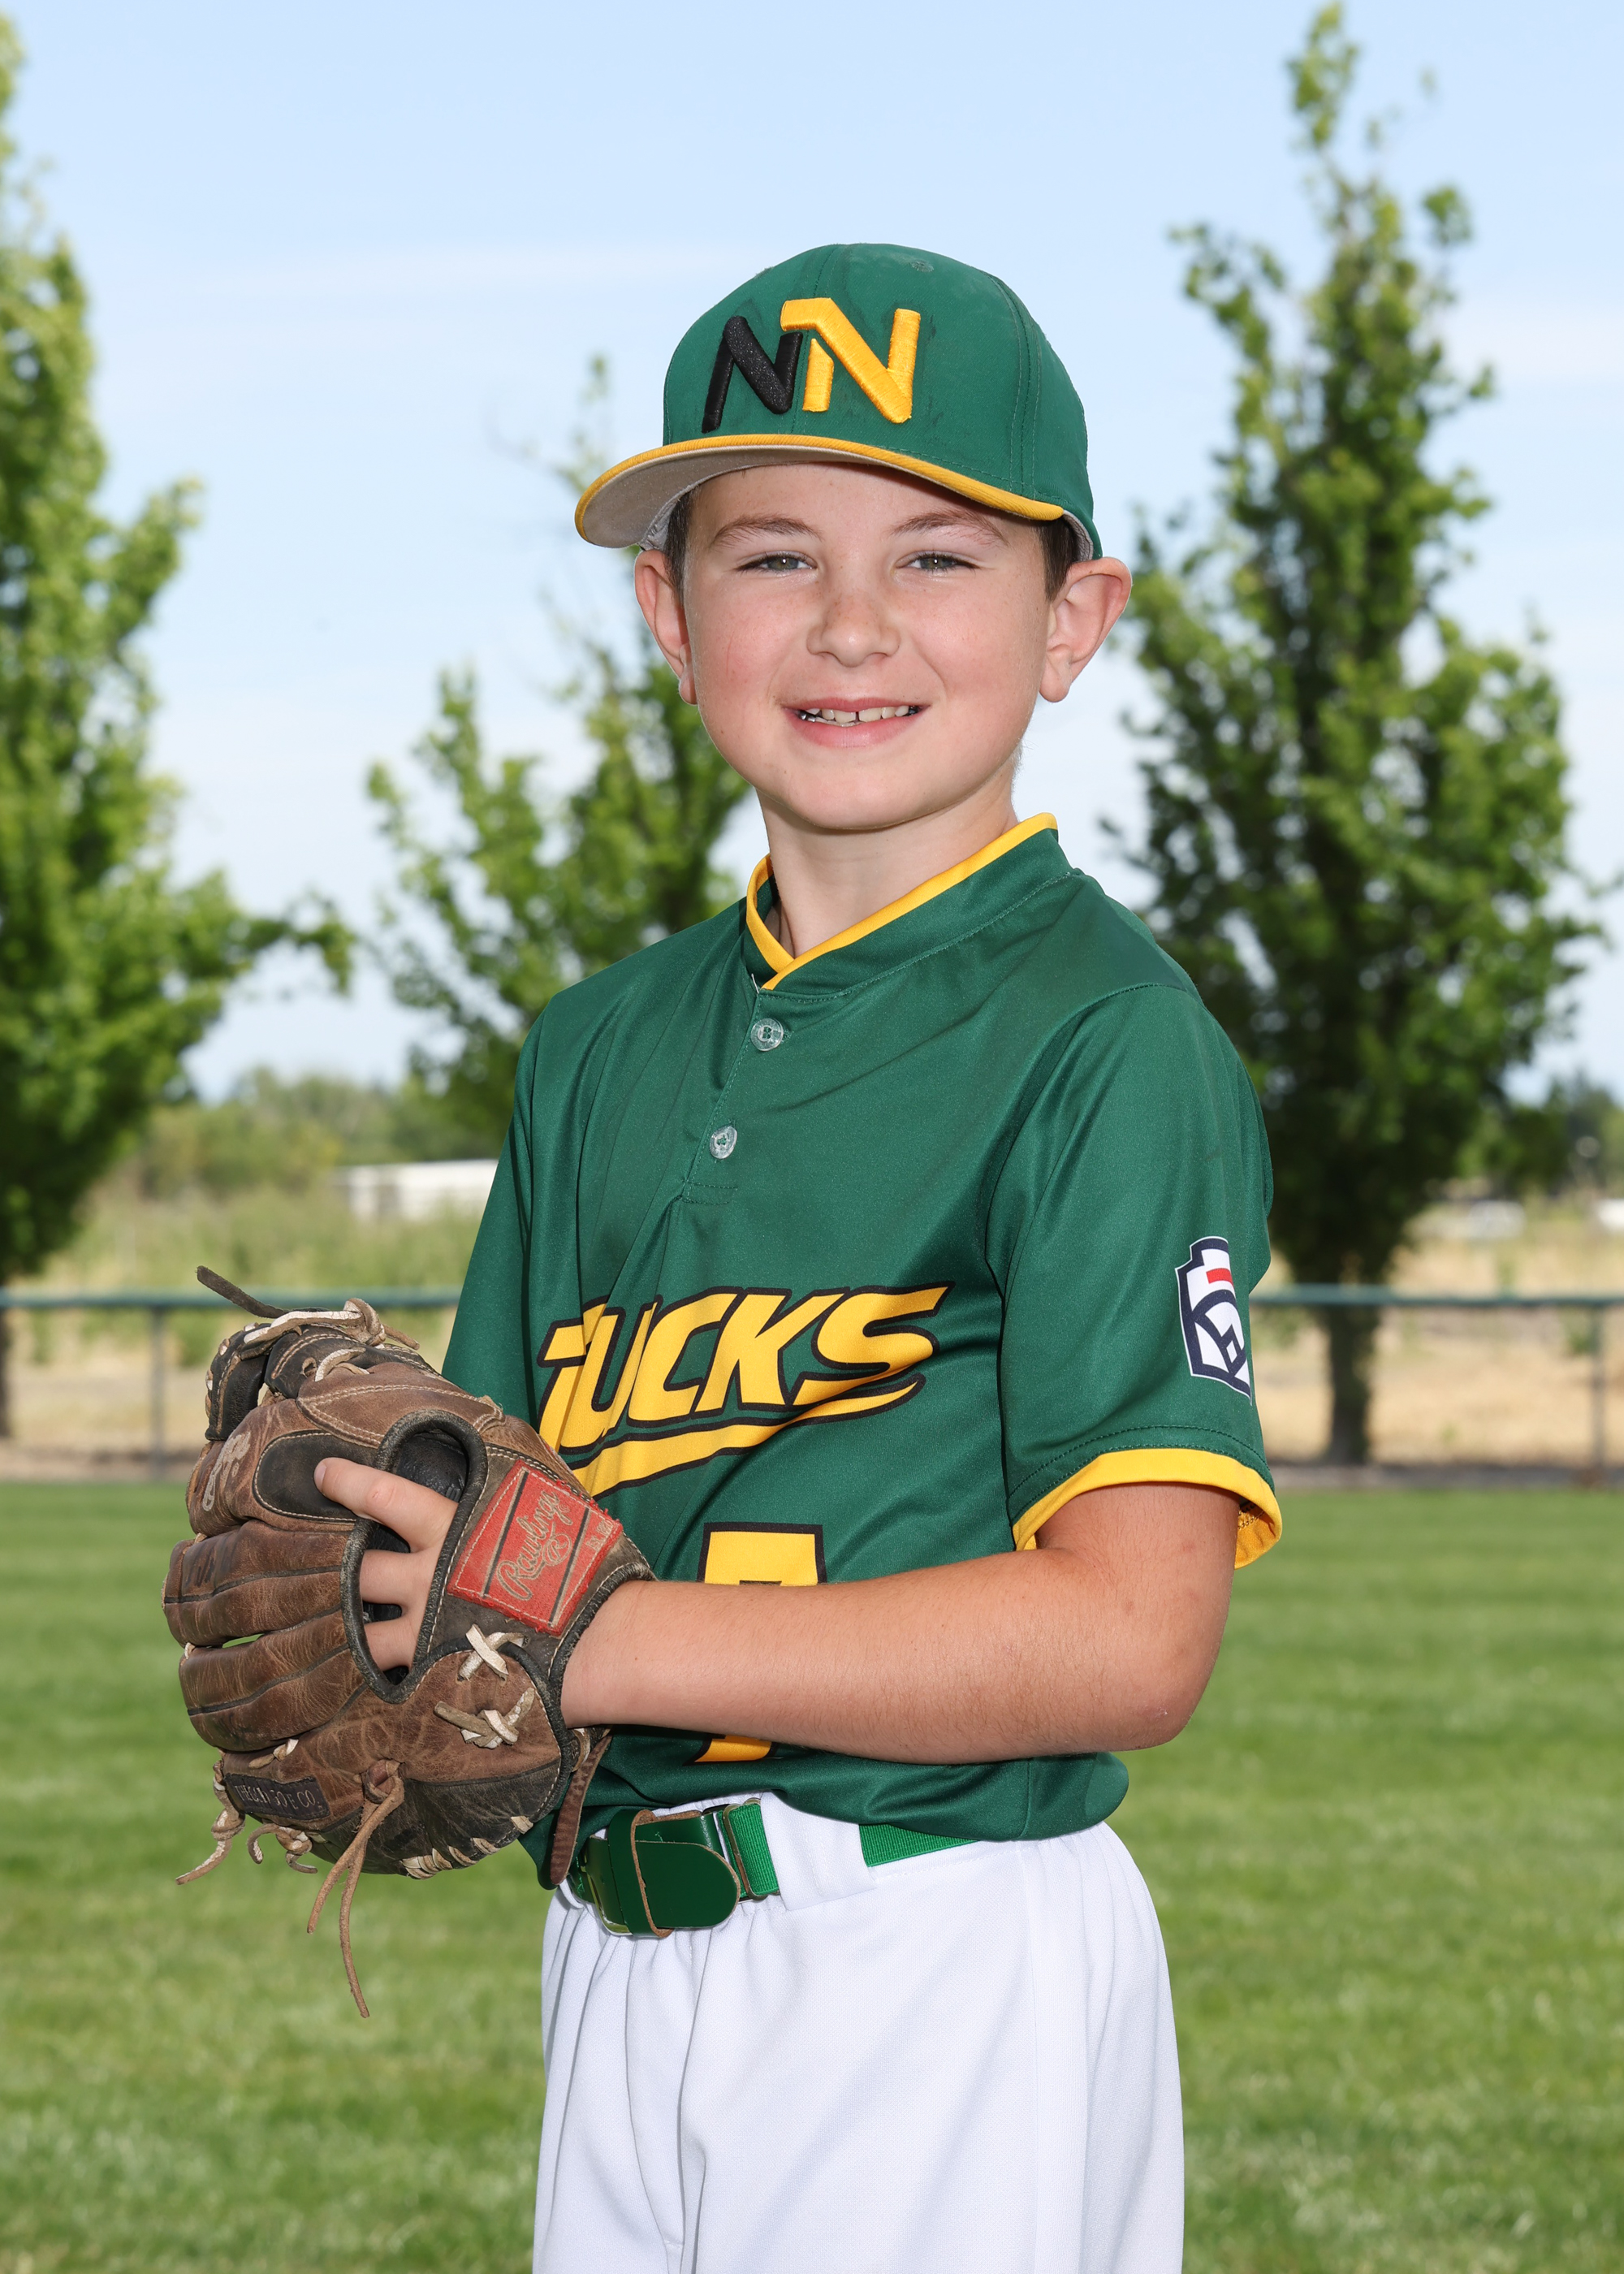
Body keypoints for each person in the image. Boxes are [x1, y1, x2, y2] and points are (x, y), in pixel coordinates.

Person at [313, 243, 1281, 2274]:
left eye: (938, 556)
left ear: (1073, 619)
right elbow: (483, 1514)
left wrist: (595, 1640)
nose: (851, 622)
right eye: (771, 557)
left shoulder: (1106, 1040)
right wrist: (371, 1593)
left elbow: (1135, 1635)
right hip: (617, 1944)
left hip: (932, 1942)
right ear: (669, 616)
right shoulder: (596, 1047)